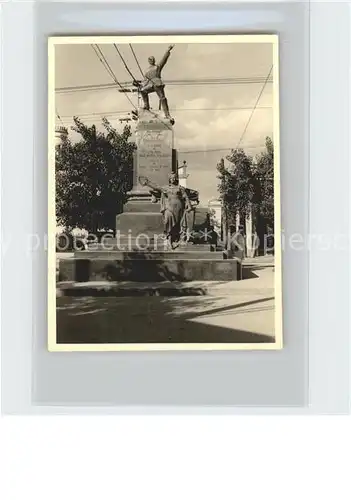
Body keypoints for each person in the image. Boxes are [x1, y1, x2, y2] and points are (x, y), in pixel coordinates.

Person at [139, 173, 193, 249]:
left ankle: (175, 239)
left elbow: (186, 197)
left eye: (174, 178)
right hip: (170, 207)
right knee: (168, 219)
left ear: (176, 179)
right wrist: (147, 183)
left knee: (178, 223)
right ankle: (168, 238)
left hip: (179, 208)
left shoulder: (180, 188)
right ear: (169, 179)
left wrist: (189, 206)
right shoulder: (166, 188)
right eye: (171, 178)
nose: (173, 179)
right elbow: (157, 187)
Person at [137, 45, 174, 120]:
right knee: (143, 91)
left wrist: (168, 50)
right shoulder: (146, 71)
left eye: (153, 59)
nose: (152, 60)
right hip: (150, 84)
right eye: (150, 59)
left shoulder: (157, 67)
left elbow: (164, 60)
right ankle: (146, 106)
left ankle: (167, 115)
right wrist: (140, 85)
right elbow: (145, 81)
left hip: (157, 84)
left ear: (154, 60)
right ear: (149, 61)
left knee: (162, 98)